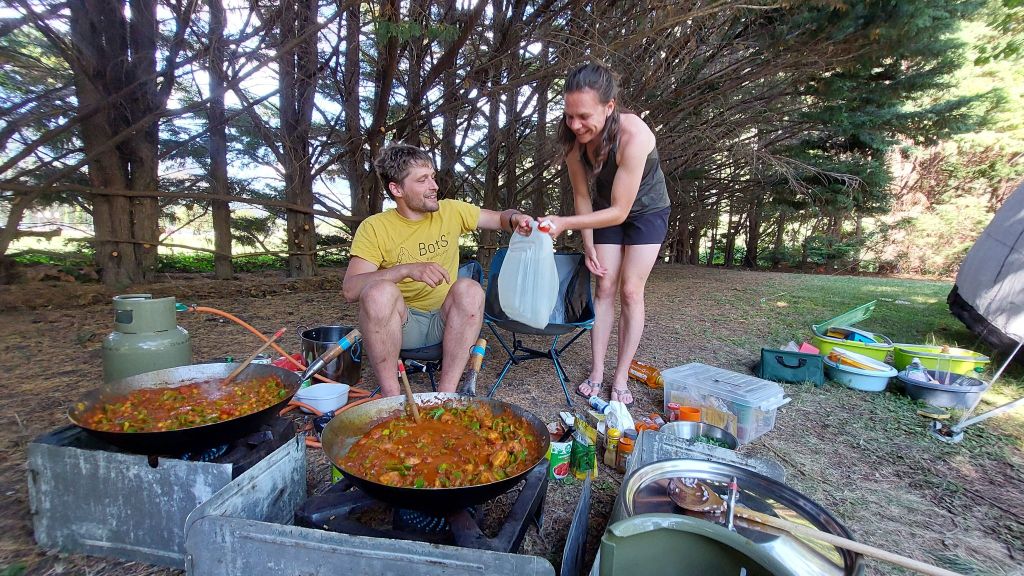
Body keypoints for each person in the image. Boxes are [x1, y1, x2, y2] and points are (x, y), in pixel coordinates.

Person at [343, 143, 533, 397]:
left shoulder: (451, 211)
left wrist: (516, 219)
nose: (434, 186)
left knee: (470, 289)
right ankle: (391, 398)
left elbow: (500, 217)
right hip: (402, 324)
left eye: (432, 176)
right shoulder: (375, 227)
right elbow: (351, 289)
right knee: (378, 292)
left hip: (446, 322)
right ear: (397, 189)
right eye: (422, 180)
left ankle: (445, 395)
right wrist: (405, 270)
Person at [539, 63, 671, 407]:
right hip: (603, 209)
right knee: (605, 285)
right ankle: (597, 371)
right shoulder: (573, 139)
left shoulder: (634, 135)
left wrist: (566, 223)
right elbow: (582, 196)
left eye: (583, 116)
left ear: (609, 107)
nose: (575, 124)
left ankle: (621, 374)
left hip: (646, 211)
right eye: (569, 115)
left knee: (630, 290)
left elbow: (622, 211)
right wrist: (587, 243)